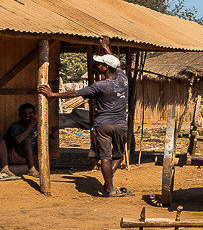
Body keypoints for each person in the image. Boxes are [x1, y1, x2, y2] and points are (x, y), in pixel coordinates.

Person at [38, 38, 129, 197]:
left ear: (106, 68)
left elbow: (74, 93)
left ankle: (109, 186)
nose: (98, 65)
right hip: (121, 124)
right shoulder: (123, 78)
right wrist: (106, 48)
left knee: (105, 158)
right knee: (118, 156)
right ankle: (109, 183)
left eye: (101, 64)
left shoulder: (99, 86)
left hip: (103, 126)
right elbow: (117, 64)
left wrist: (53, 94)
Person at [0, 103, 37, 181]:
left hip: (31, 156)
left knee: (50, 141)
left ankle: (42, 165)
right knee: (27, 140)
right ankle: (31, 168)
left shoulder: (38, 126)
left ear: (34, 114)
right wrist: (30, 126)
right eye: (25, 113)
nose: (28, 116)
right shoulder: (16, 126)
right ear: (20, 115)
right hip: (15, 155)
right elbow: (18, 140)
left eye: (30, 113)